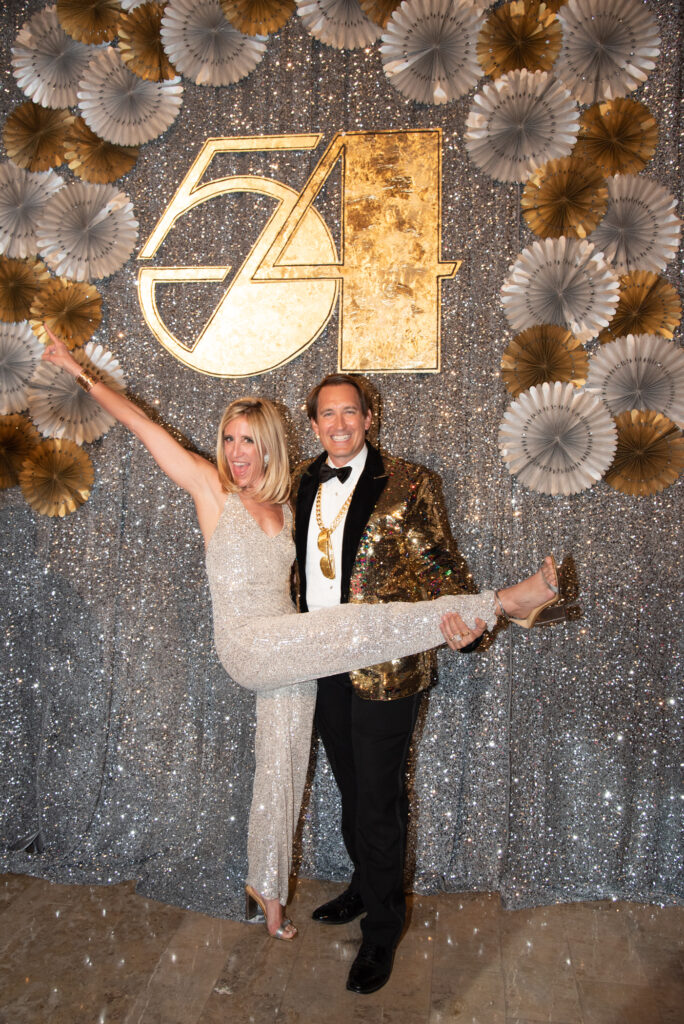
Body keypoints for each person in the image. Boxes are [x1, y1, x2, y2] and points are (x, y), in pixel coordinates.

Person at [41, 334, 559, 950]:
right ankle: (503, 603)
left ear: (275, 445)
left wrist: (456, 630)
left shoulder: (294, 501)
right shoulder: (213, 492)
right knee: (354, 621)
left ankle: (272, 896)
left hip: (309, 652)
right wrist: (79, 371)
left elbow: (405, 562)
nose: (237, 453)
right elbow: (142, 426)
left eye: (249, 441)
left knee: (282, 770)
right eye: (229, 440)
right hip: (253, 646)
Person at [291, 374, 516, 994]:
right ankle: (365, 887)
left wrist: (469, 623)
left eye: (349, 412)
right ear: (313, 424)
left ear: (369, 418)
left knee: (380, 799)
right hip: (321, 660)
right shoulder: (302, 480)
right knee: (349, 786)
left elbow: (439, 560)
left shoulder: (410, 481)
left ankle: (383, 931)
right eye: (326, 414)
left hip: (388, 669)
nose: (338, 423)